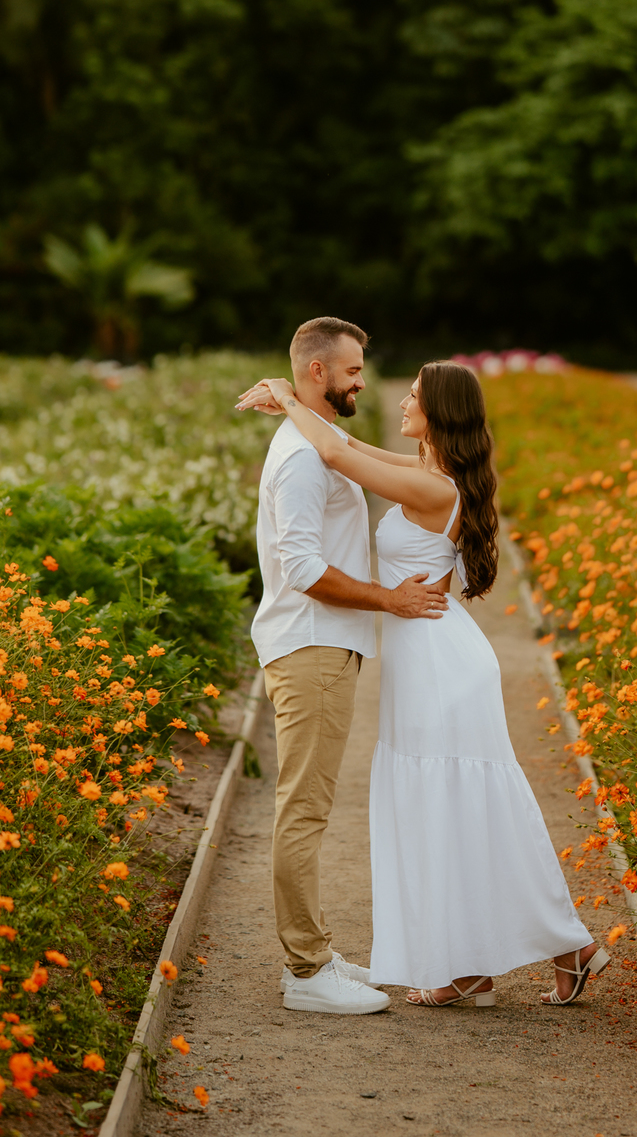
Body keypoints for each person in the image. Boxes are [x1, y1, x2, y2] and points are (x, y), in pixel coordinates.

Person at [238, 358, 607, 1009]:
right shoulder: (428, 473)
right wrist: (300, 406)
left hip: (442, 667)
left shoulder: (435, 490)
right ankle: (469, 967)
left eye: (413, 396)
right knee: (446, 814)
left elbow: (329, 446)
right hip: (428, 663)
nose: (401, 402)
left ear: (439, 413)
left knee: (462, 812)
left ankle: (567, 945)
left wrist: (284, 395)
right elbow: (345, 443)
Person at [248, 317, 450, 1016]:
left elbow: (353, 453)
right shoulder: (305, 457)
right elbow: (303, 566)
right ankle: (305, 973)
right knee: (303, 810)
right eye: (353, 371)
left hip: (323, 644)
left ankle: (316, 954)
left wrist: (291, 401)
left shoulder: (311, 440)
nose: (363, 381)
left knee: (308, 806)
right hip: (312, 644)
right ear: (317, 373)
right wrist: (388, 599)